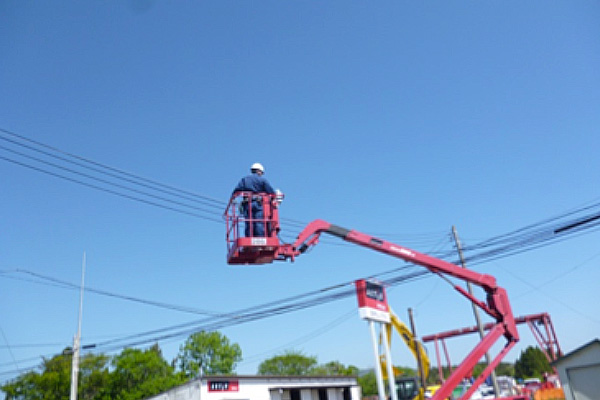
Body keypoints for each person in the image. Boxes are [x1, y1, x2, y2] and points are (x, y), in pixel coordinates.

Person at [232, 162, 275, 237]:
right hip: (258, 204)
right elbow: (271, 192)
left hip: (247, 203)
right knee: (259, 222)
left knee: (249, 222)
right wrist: (274, 199)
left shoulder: (244, 180)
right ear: (259, 171)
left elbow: (236, 191)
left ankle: (249, 237)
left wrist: (233, 198)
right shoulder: (262, 180)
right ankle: (260, 238)